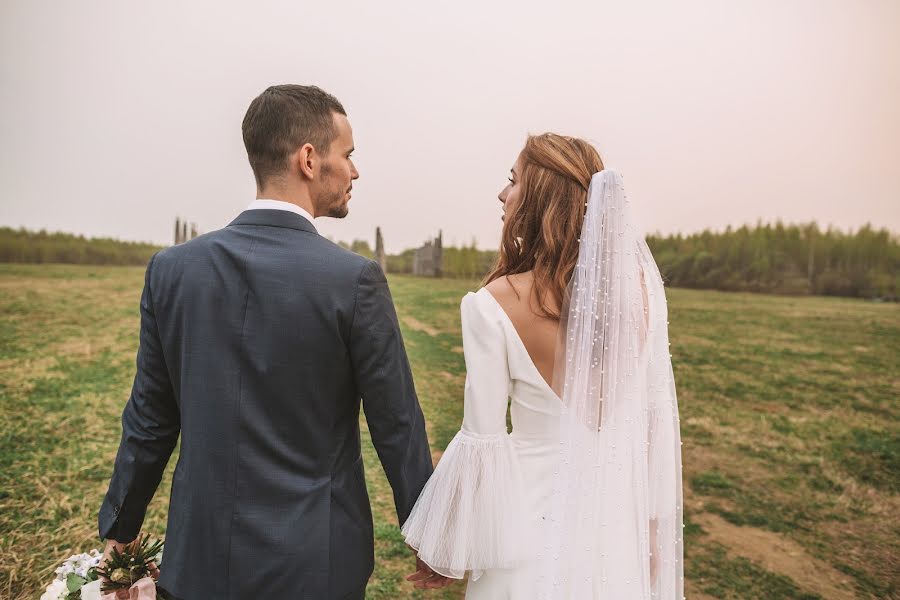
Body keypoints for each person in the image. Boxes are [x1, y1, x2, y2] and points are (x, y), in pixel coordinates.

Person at [97, 84, 435, 599]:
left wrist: (121, 526)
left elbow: (150, 418)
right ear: (308, 159)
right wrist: (428, 533)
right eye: (348, 154)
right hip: (315, 567)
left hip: (198, 561)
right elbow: (397, 424)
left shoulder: (172, 271)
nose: (355, 170)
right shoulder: (353, 280)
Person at [403, 133, 684, 599]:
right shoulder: (642, 299)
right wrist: (651, 535)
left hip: (525, 533)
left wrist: (447, 543)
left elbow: (482, 441)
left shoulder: (495, 302)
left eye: (512, 181)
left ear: (539, 198)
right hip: (615, 534)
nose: (502, 193)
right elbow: (654, 427)